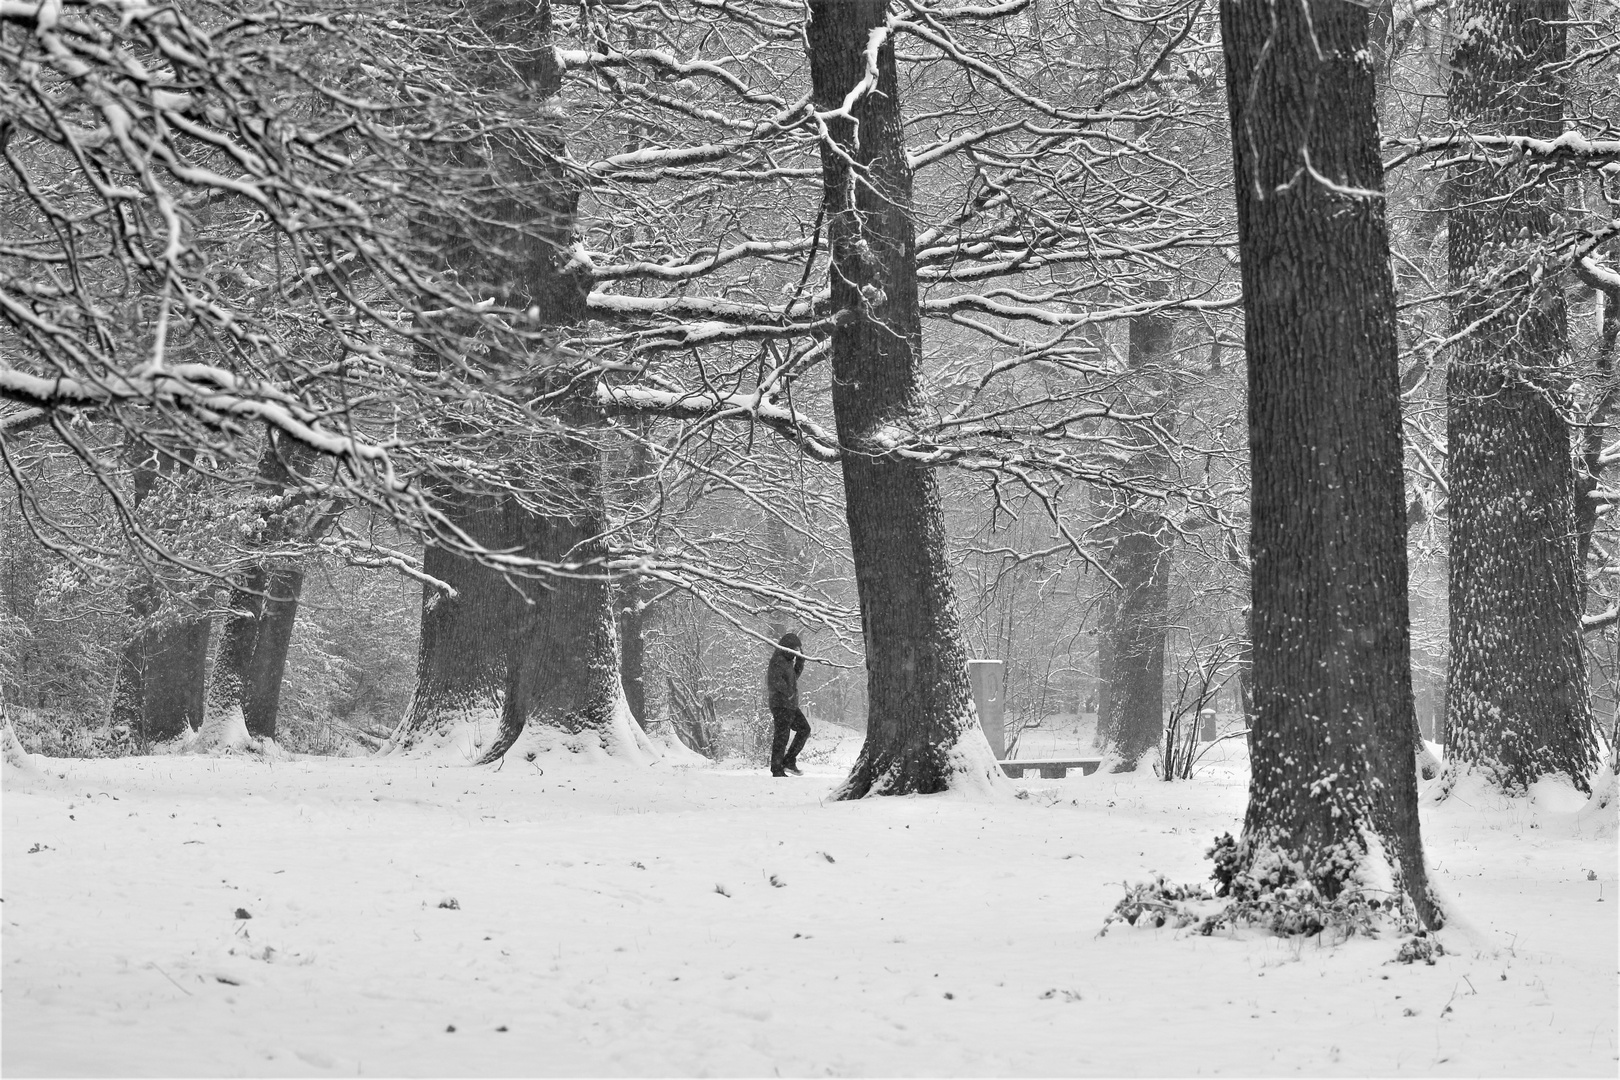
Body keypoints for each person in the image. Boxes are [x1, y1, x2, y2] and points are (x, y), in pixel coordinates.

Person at [766, 632, 811, 777]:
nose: (797, 651)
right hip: (780, 704)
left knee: (804, 729)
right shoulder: (778, 661)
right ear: (788, 647)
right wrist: (788, 693)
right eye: (795, 648)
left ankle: (789, 761)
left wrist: (800, 661)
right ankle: (777, 768)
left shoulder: (787, 662)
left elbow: (793, 678)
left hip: (789, 704)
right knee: (782, 736)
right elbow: (775, 681)